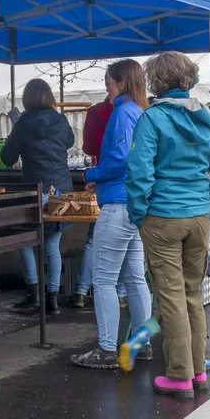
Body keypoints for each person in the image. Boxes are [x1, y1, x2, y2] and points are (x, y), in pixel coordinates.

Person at [126, 52, 210, 397]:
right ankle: (197, 370)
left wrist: (138, 212)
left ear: (155, 81)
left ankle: (178, 375)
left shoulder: (152, 119)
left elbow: (140, 171)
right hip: (199, 216)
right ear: (189, 79)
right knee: (192, 294)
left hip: (162, 216)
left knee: (170, 296)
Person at [71, 60, 155, 369]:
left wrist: (92, 172)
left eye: (107, 82)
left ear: (118, 82)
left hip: (117, 204)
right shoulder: (140, 112)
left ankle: (107, 349)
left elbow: (119, 159)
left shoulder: (122, 113)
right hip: (134, 204)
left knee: (103, 278)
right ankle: (142, 343)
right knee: (134, 278)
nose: (106, 87)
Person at [0, 79, 75, 316]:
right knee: (53, 243)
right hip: (62, 188)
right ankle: (52, 298)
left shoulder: (23, 124)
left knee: (25, 238)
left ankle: (33, 292)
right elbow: (71, 142)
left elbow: (7, 158)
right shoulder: (61, 120)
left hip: (36, 189)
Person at [70, 95, 116, 309]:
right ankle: (123, 293)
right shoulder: (137, 110)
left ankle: (80, 291)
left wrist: (92, 174)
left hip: (103, 178)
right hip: (127, 187)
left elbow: (88, 148)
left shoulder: (96, 112)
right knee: (131, 246)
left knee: (93, 239)